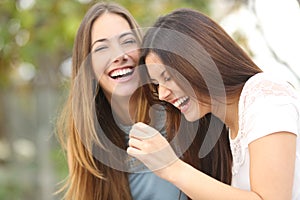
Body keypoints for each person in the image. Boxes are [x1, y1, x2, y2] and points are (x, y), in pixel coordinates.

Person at [56, 2, 232, 200]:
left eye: (127, 41)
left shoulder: (183, 107)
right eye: (102, 48)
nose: (119, 56)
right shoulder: (88, 141)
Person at [127, 8, 300, 200]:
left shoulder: (265, 94)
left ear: (199, 61)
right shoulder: (222, 130)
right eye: (157, 84)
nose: (162, 94)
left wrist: (171, 167)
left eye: (167, 77)